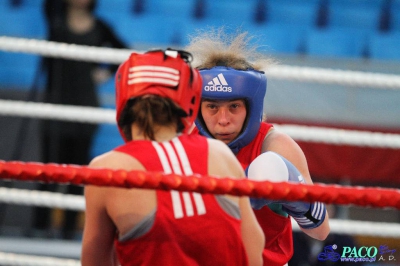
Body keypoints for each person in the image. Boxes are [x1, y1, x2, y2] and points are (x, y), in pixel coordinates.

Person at [81, 49, 265, 266]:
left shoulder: (107, 169)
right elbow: (254, 253)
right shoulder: (220, 155)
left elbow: (94, 262)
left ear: (124, 100)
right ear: (189, 99)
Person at [186, 29, 330, 266]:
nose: (223, 119)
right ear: (198, 108)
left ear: (251, 108)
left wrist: (292, 187)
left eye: (234, 107)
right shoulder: (182, 146)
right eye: (212, 107)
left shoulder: (274, 146)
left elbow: (320, 231)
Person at [32, 0, 128, 239]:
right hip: (55, 104)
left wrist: (103, 74)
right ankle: (39, 228)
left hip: (84, 105)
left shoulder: (100, 26)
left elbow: (122, 51)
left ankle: (68, 230)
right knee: (49, 170)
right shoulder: (54, 18)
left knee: (77, 171)